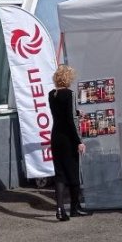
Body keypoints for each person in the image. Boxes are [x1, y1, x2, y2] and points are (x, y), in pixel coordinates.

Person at [49, 65, 88, 222]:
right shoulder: (70, 94)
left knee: (60, 174)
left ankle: (59, 209)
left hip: (56, 136)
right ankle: (74, 208)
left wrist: (76, 113)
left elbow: (61, 115)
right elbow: (70, 120)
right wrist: (79, 141)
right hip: (68, 138)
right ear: (68, 78)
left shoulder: (52, 94)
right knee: (73, 173)